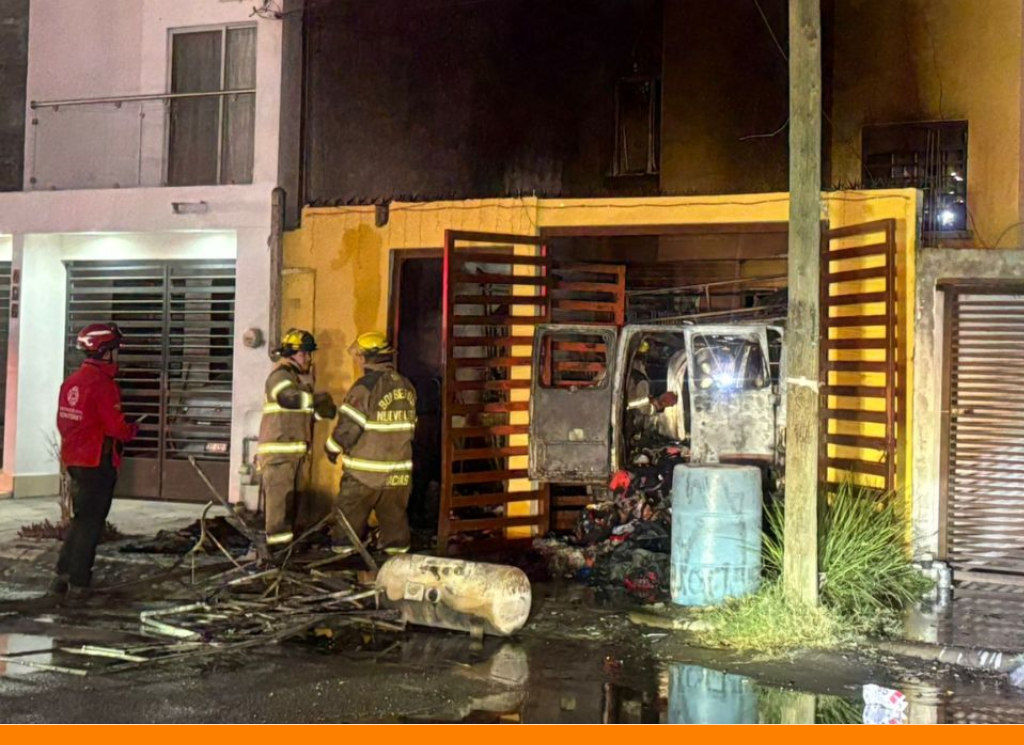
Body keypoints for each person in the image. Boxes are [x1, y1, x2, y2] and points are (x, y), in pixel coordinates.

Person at [52, 323, 138, 603]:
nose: (118, 355)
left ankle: (63, 574)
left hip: (75, 459)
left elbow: (63, 422)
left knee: (80, 520)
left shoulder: (72, 382)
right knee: (91, 524)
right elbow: (116, 427)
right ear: (105, 352)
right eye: (116, 349)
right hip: (97, 461)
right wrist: (132, 430)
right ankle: (79, 583)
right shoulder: (103, 385)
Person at [326, 332, 417, 555]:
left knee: (347, 528)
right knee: (395, 530)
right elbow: (412, 427)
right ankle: (397, 569)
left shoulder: (365, 387)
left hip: (364, 476)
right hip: (398, 475)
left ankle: (345, 567)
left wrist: (331, 447)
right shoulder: (406, 386)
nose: (358, 361)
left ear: (365, 358)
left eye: (359, 357)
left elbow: (348, 428)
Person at [257, 329, 336, 547]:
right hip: (279, 453)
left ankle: (291, 547)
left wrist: (322, 413)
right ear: (290, 354)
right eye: (304, 354)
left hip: (295, 453)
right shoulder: (280, 376)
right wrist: (316, 400)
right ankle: (278, 550)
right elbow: (288, 399)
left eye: (309, 354)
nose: (308, 358)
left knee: (292, 505)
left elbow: (301, 416)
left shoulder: (298, 380)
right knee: (279, 505)